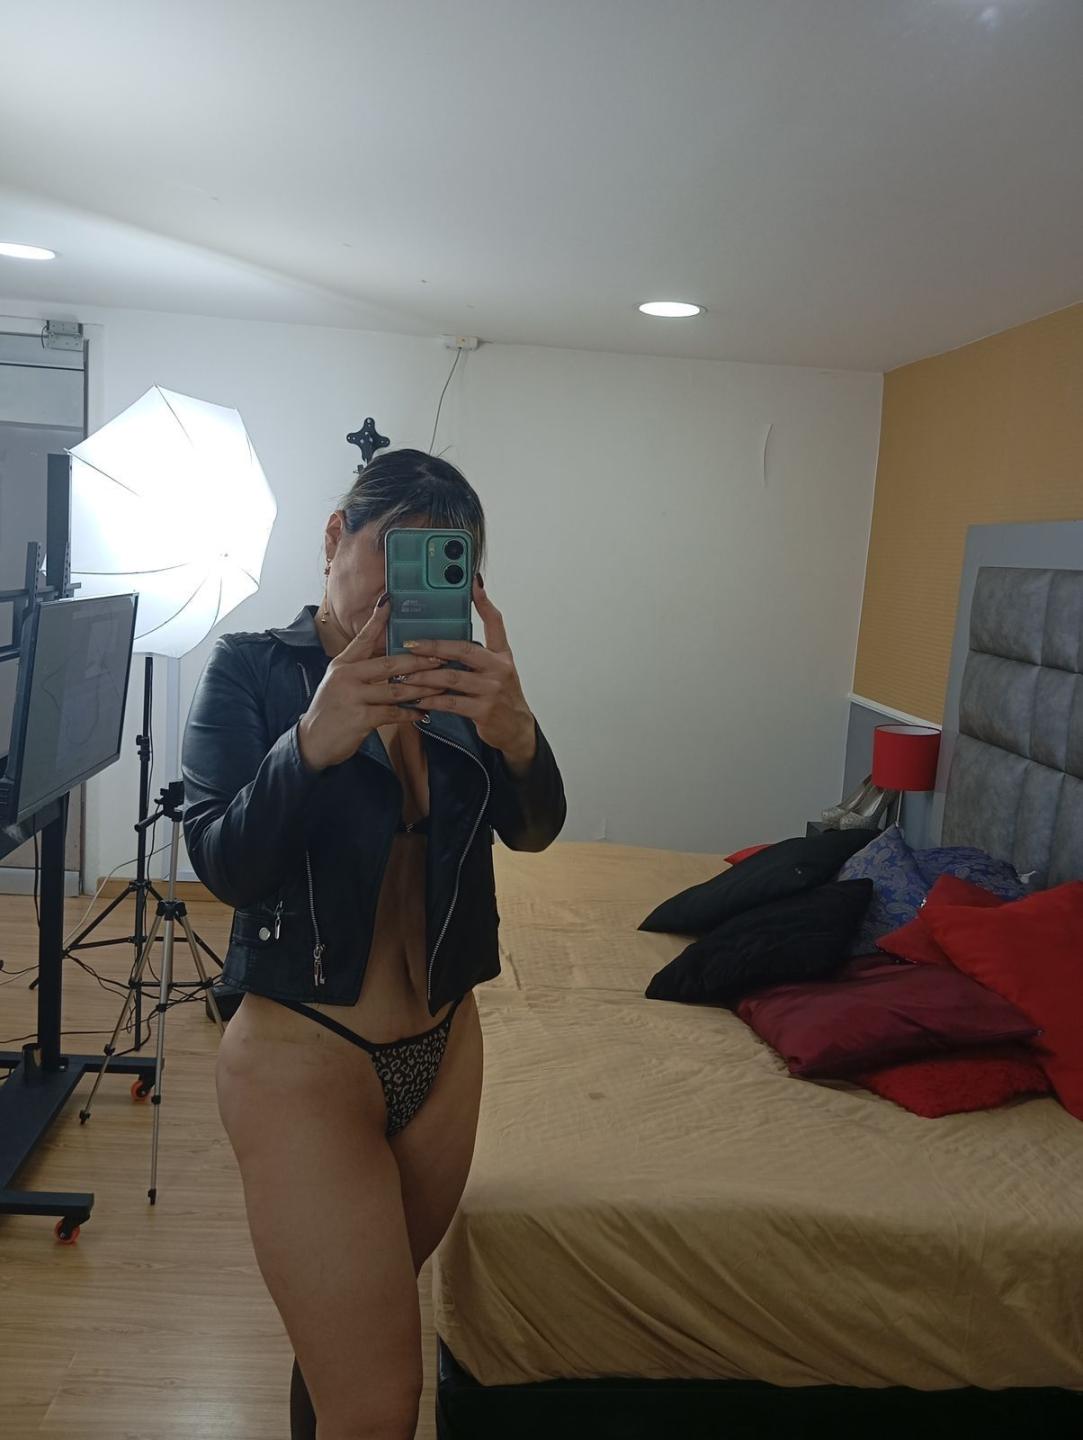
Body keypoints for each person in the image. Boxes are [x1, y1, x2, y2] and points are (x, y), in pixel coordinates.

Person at [181, 449, 567, 1440]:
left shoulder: (460, 690)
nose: (403, 595)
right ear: (334, 538)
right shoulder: (253, 669)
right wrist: (311, 740)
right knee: (382, 1401)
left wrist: (518, 734)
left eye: (439, 568)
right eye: (391, 557)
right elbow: (223, 862)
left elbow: (533, 831)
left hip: (446, 1046)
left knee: (353, 1348)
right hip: (303, 1060)